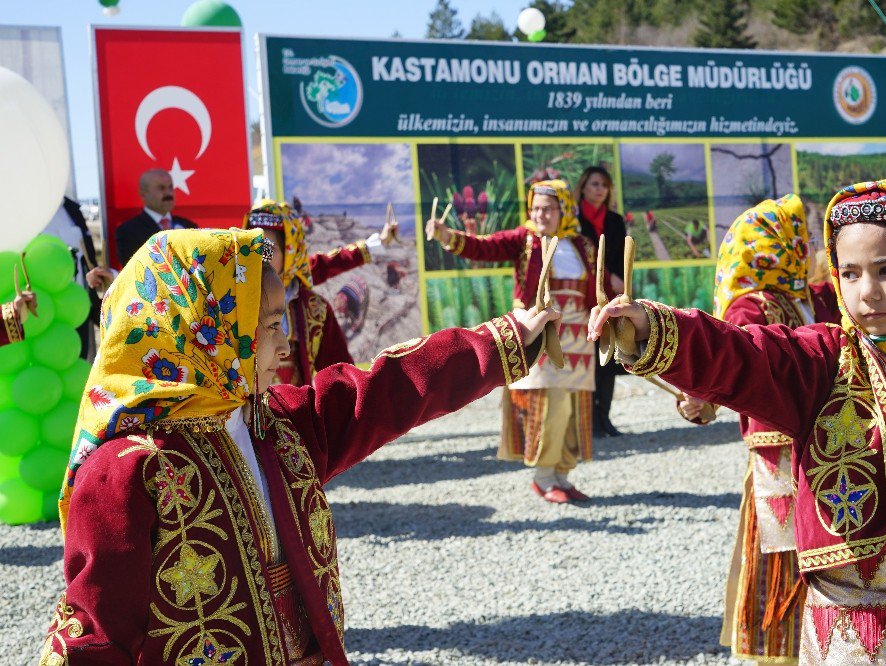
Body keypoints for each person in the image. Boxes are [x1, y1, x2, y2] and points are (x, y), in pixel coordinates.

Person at [40, 227, 556, 664]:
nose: (285, 342)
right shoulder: (124, 472)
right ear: (205, 330)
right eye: (265, 325)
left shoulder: (276, 422)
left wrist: (499, 343)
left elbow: (387, 391)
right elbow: (96, 635)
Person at [590, 178, 886, 662]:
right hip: (849, 629)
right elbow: (742, 355)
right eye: (849, 273)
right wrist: (657, 328)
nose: (867, 292)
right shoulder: (826, 361)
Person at [677, 194, 840, 663]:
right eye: (802, 238)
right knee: (783, 568)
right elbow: (732, 350)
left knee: (828, 560)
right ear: (774, 245)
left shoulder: (811, 296)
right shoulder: (753, 304)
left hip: (824, 450)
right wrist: (704, 393)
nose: (810, 247)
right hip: (780, 466)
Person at [427, 179, 603, 503]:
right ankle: (544, 477)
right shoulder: (524, 240)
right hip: (540, 331)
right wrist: (447, 236)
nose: (540, 215)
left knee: (574, 408)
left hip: (577, 339)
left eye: (548, 209)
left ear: (564, 210)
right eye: (535, 208)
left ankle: (563, 476)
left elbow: (593, 289)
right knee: (549, 406)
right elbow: (483, 247)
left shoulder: (582, 245)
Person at [242, 200, 395, 382]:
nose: (260, 258)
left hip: (293, 409)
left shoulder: (314, 310)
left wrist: (376, 244)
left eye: (269, 250)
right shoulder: (231, 298)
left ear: (289, 254)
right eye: (253, 247)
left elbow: (341, 378)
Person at [574, 166, 627, 438]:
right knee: (587, 362)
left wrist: (618, 282)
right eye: (594, 184)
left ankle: (604, 418)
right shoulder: (572, 222)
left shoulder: (616, 221)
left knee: (607, 360)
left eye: (604, 186)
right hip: (582, 298)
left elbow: (621, 259)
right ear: (583, 187)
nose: (599, 190)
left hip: (611, 297)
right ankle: (590, 421)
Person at [42, 196, 101, 359]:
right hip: (43, 312)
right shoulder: (25, 210)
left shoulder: (71, 207)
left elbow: (86, 255)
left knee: (79, 362)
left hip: (79, 307)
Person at [114, 168, 197, 267]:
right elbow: (134, 271)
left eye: (170, 187)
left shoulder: (190, 227)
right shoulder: (128, 232)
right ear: (143, 194)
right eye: (161, 188)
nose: (168, 193)